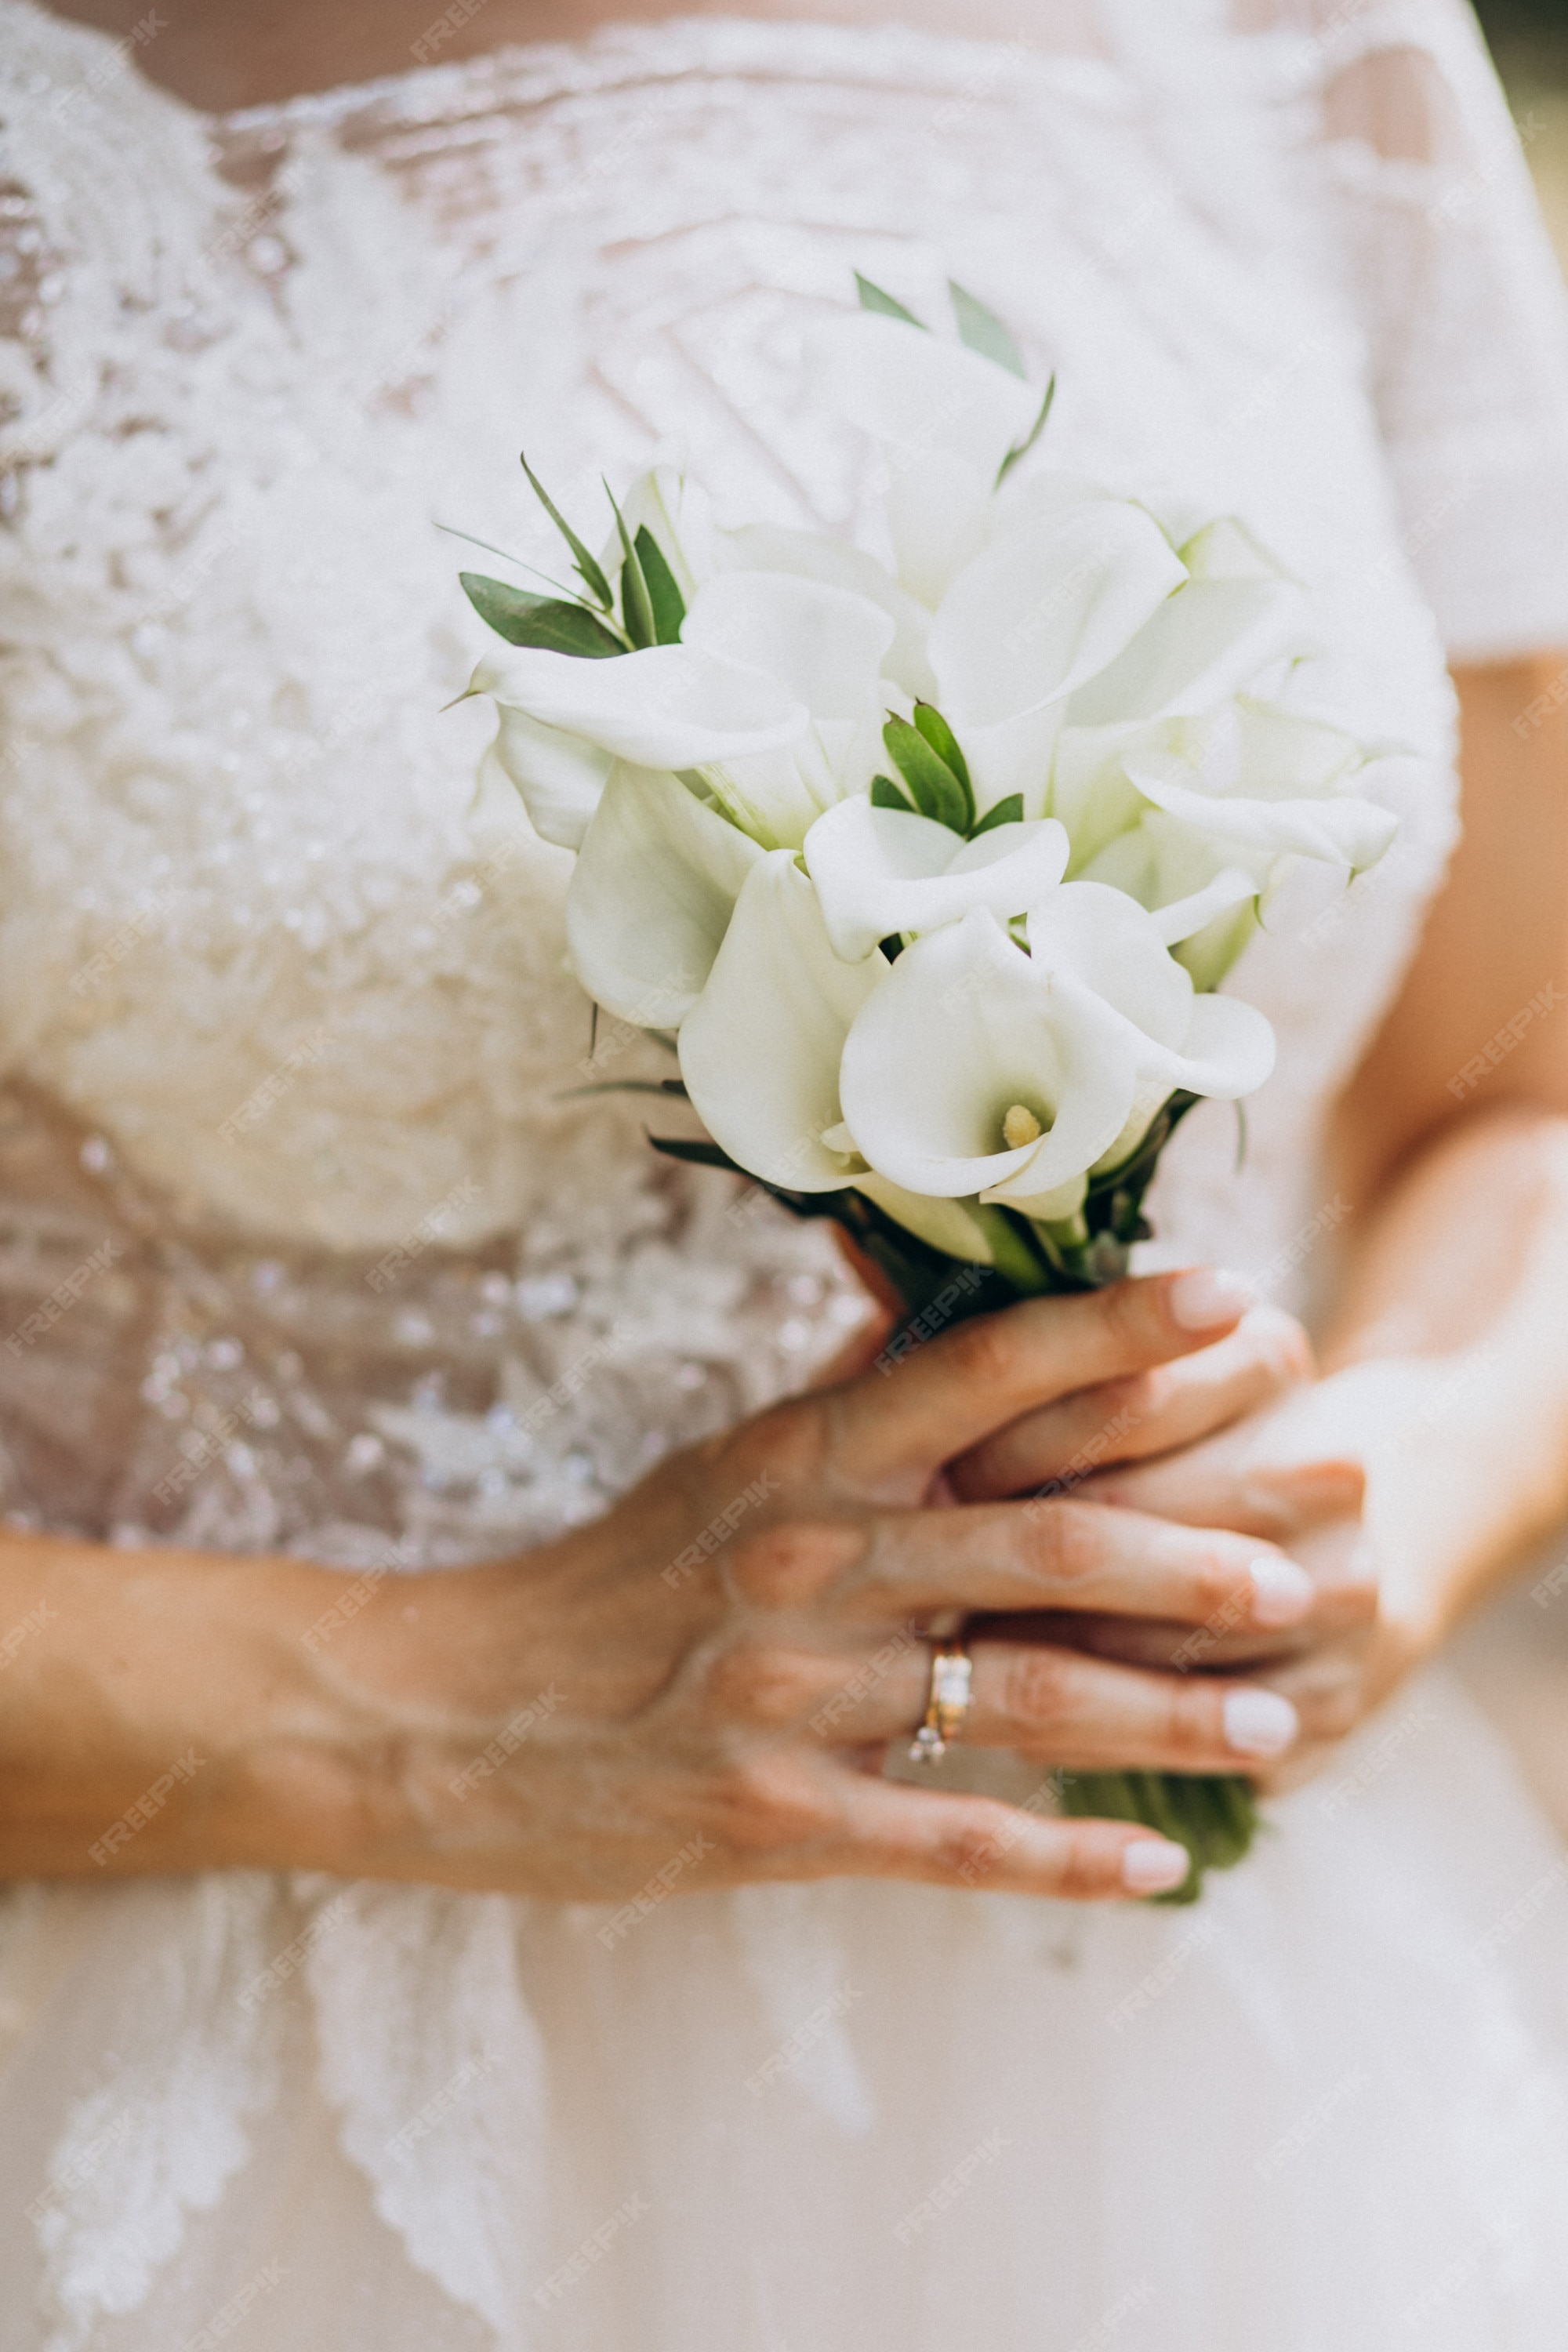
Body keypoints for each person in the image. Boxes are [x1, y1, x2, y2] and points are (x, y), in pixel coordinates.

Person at [2, 0, 1568, 2343]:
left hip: (1220, 2090)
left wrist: (1387, 1502)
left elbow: (1522, 1090)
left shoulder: (1296, 33)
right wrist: (439, 1701)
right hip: (248, 2114)